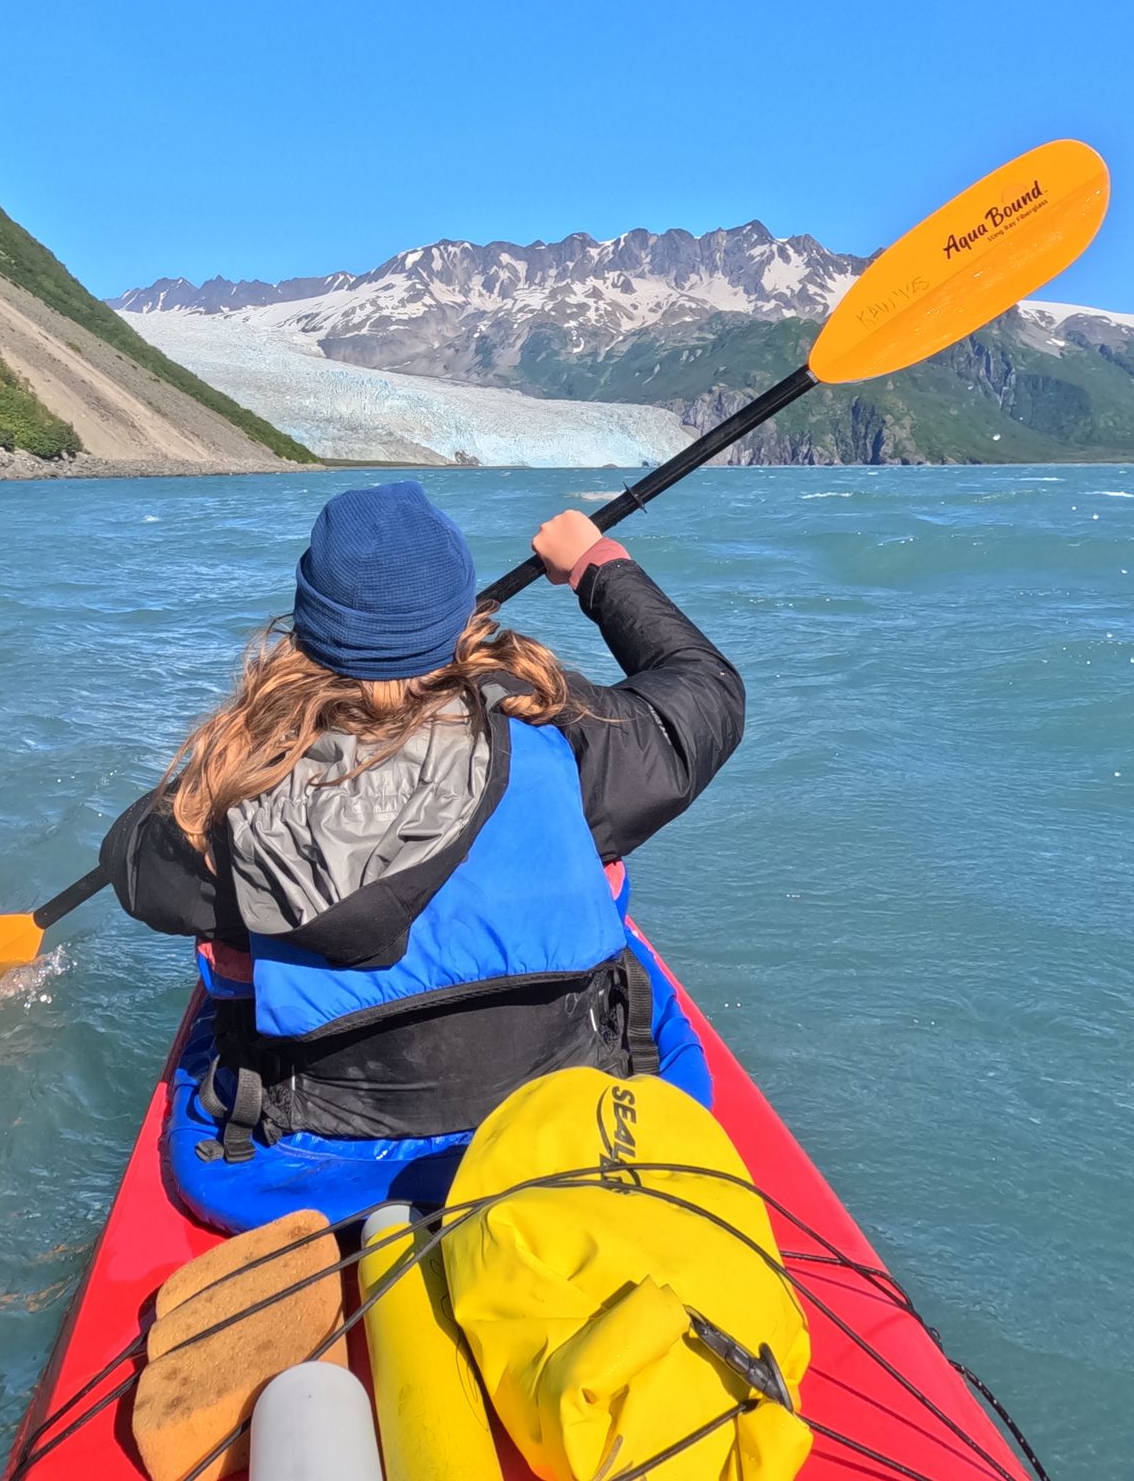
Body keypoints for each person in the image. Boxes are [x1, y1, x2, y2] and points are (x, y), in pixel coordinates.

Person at [100, 481, 745, 1226]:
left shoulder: (226, 808)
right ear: (462, 621)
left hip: (320, 1146)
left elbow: (130, 866)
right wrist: (598, 565)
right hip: (566, 1108)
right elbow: (708, 692)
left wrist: (245, 736)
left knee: (231, 949)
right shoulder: (576, 747)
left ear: (309, 627)